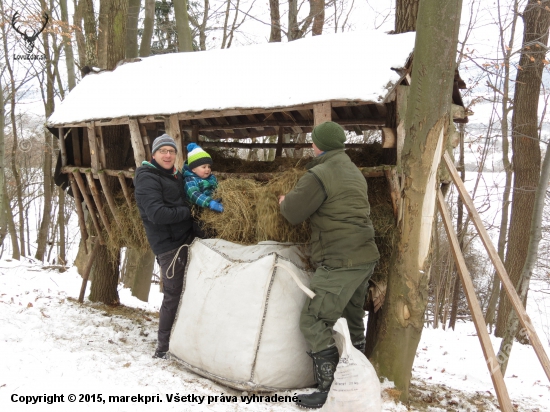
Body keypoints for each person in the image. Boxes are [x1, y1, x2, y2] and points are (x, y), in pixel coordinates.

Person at [278, 121, 380, 409]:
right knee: (351, 318)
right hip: (364, 255)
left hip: (339, 259)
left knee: (313, 319)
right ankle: (356, 381)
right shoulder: (354, 171)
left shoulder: (319, 173)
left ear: (317, 145)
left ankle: (329, 387)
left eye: (313, 142)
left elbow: (294, 213)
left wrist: (285, 201)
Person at [134, 134, 193, 359]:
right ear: (154, 154)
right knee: (173, 295)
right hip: (168, 246)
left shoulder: (173, 176)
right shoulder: (148, 177)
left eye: (172, 151)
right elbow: (156, 214)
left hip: (185, 240)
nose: (168, 155)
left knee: (189, 292)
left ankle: (183, 339)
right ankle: (163, 347)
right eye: (163, 151)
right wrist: (189, 213)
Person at [183, 143, 223, 213]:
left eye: (209, 166)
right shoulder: (190, 180)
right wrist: (210, 202)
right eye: (204, 167)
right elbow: (194, 194)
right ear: (193, 169)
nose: (207, 169)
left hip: (213, 206)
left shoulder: (211, 177)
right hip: (197, 211)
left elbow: (218, 187)